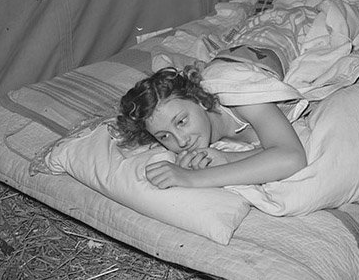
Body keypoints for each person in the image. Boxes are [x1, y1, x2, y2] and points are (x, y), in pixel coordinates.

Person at [115, 66, 307, 190]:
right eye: (164, 136)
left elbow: (292, 157)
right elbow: (271, 150)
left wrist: (192, 178)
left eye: (181, 121)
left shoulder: (240, 99)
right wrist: (227, 158)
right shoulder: (203, 134)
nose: (181, 141)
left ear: (200, 99)